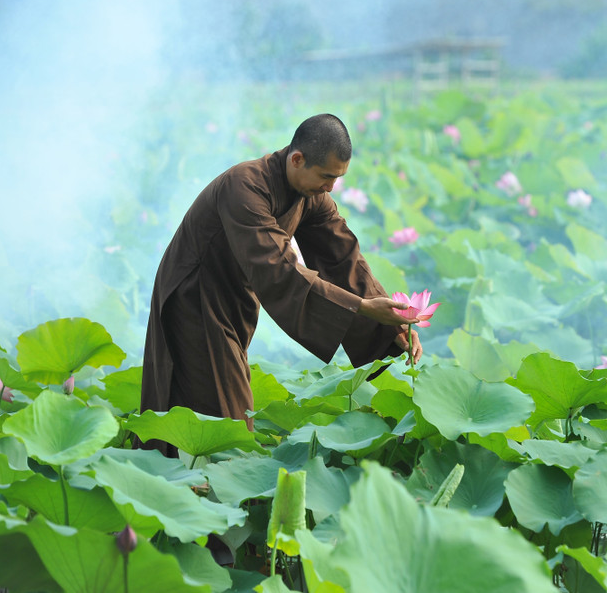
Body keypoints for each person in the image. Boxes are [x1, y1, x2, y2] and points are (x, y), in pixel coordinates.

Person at [140, 113, 421, 454]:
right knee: (229, 419)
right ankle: (197, 489)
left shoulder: (309, 192)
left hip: (235, 300)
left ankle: (189, 484)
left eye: (337, 179)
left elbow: (343, 256)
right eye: (327, 177)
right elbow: (280, 269)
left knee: (213, 407)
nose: (331, 188)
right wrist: (362, 308)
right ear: (297, 159)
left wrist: (393, 323)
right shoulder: (244, 186)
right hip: (194, 298)